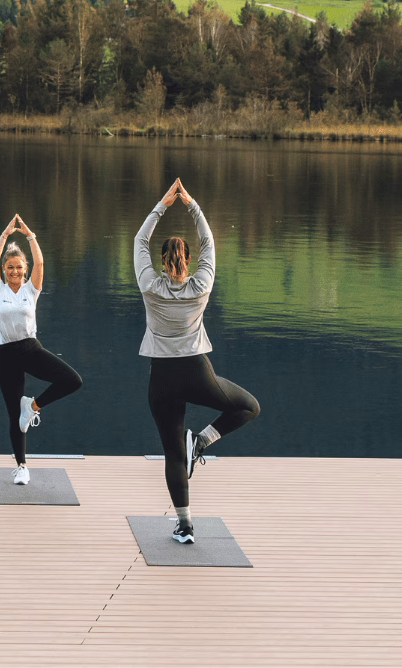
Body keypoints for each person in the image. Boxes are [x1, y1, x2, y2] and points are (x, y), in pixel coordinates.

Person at [135, 177, 260, 544]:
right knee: (248, 407)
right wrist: (191, 205)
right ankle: (202, 442)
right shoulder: (200, 285)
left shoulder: (150, 286)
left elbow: (139, 240)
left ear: (160, 261)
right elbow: (209, 243)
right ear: (188, 259)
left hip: (161, 379)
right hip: (196, 372)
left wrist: (162, 205)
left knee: (173, 454)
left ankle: (185, 527)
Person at [0, 213, 83, 483]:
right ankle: (21, 466)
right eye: (10, 268)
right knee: (13, 416)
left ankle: (34, 406)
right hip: (5, 355)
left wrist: (30, 236)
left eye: (19, 267)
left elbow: (40, 260)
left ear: (25, 269)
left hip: (30, 350)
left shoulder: (32, 290)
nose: (14, 271)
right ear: (4, 271)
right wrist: (5, 235)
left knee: (72, 380)